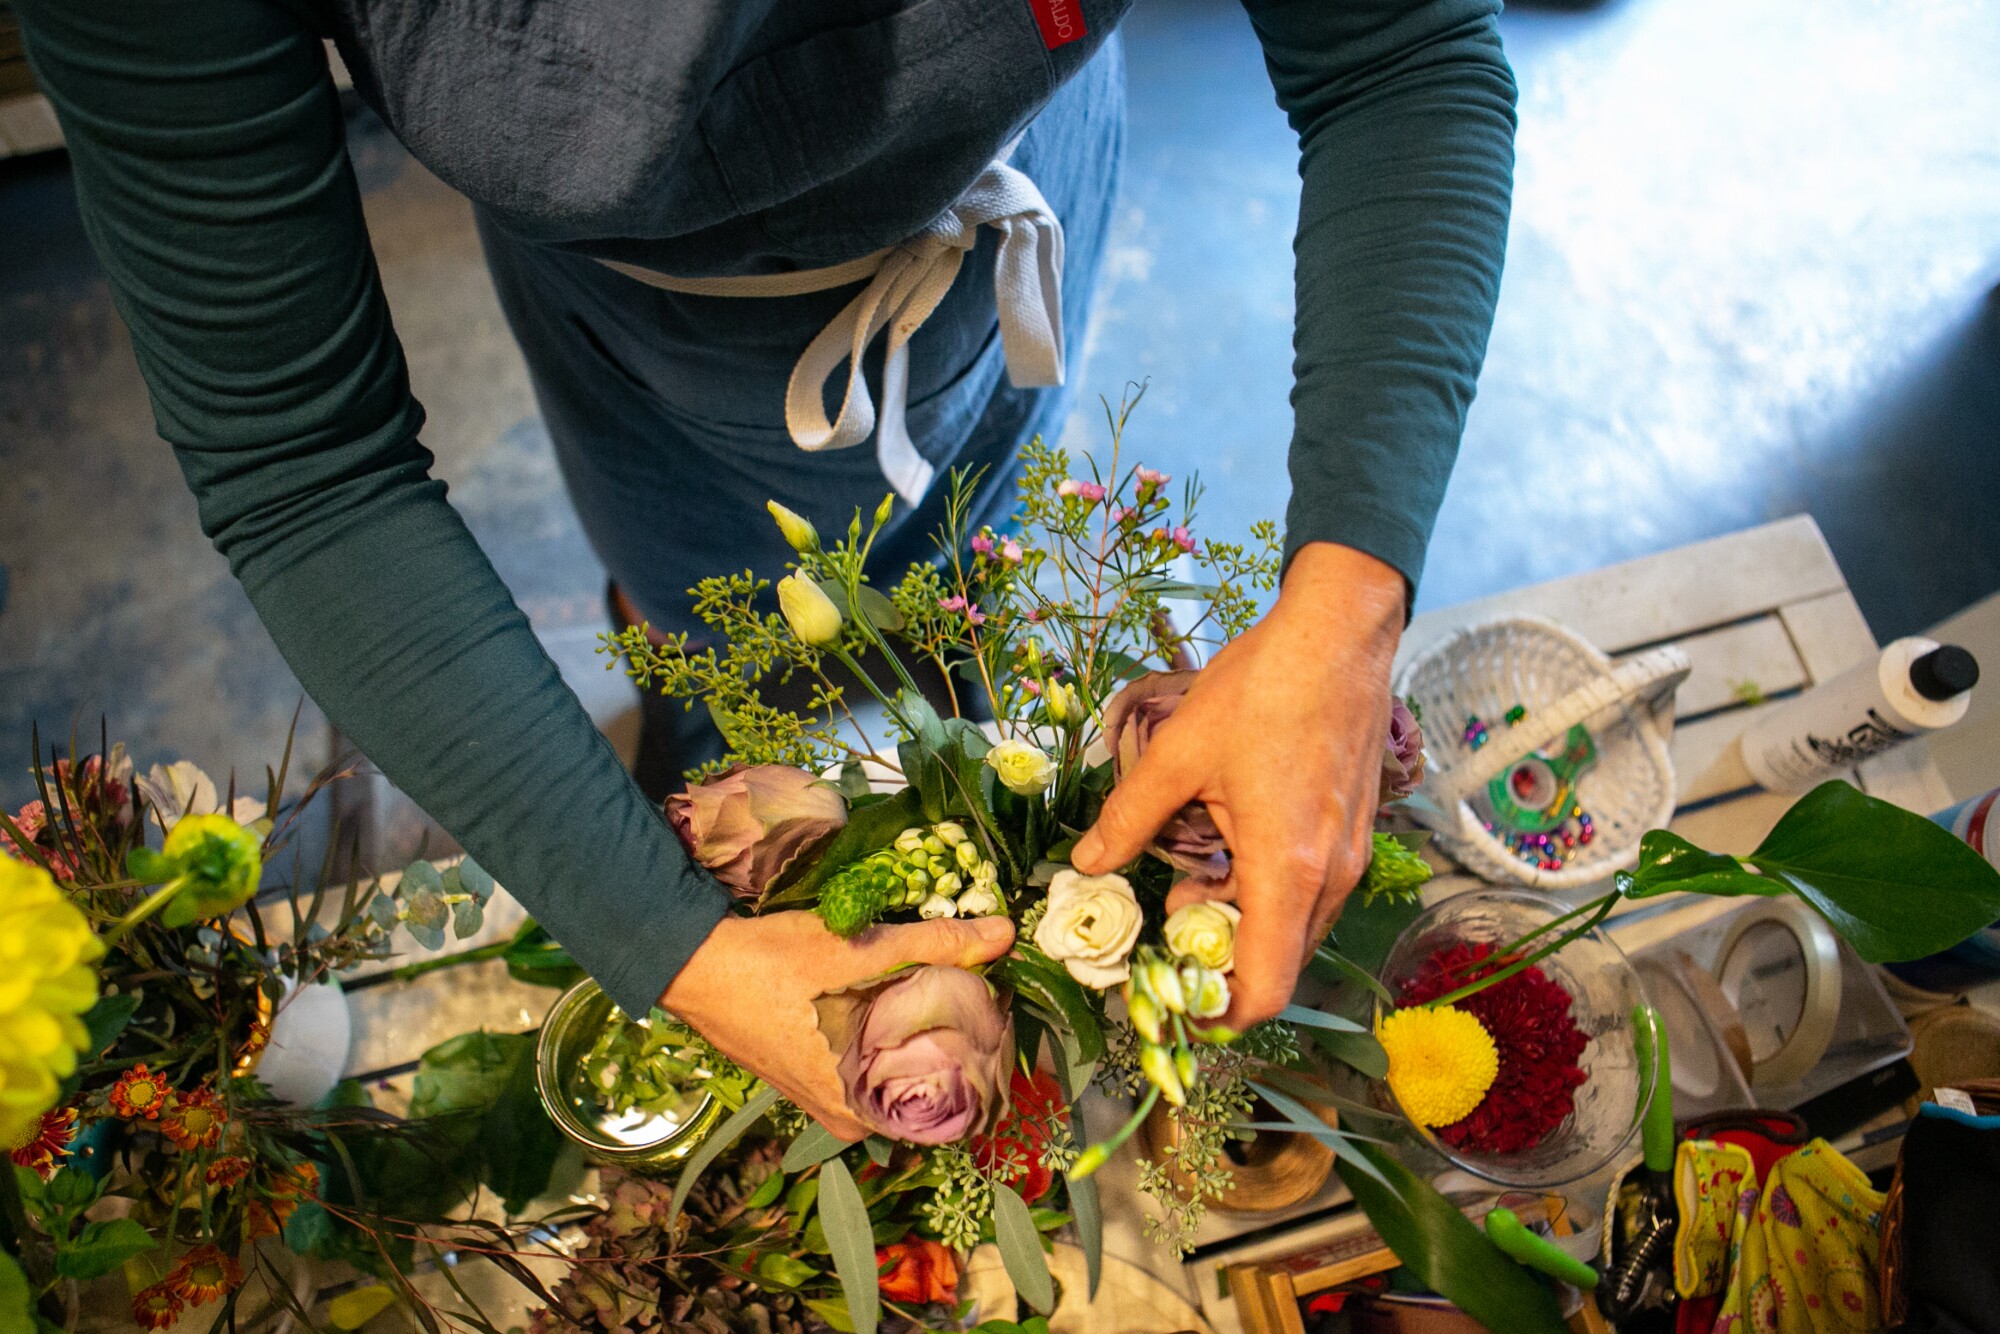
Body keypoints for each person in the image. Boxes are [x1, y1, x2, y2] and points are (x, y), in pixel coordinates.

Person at [16, 0, 1515, 1138]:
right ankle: (695, 738)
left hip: (1005, 201)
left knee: (984, 534)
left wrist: (1345, 606)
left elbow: (1398, 52)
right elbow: (304, 464)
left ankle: (973, 708)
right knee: (693, 616)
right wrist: (678, 945)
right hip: (643, 327)